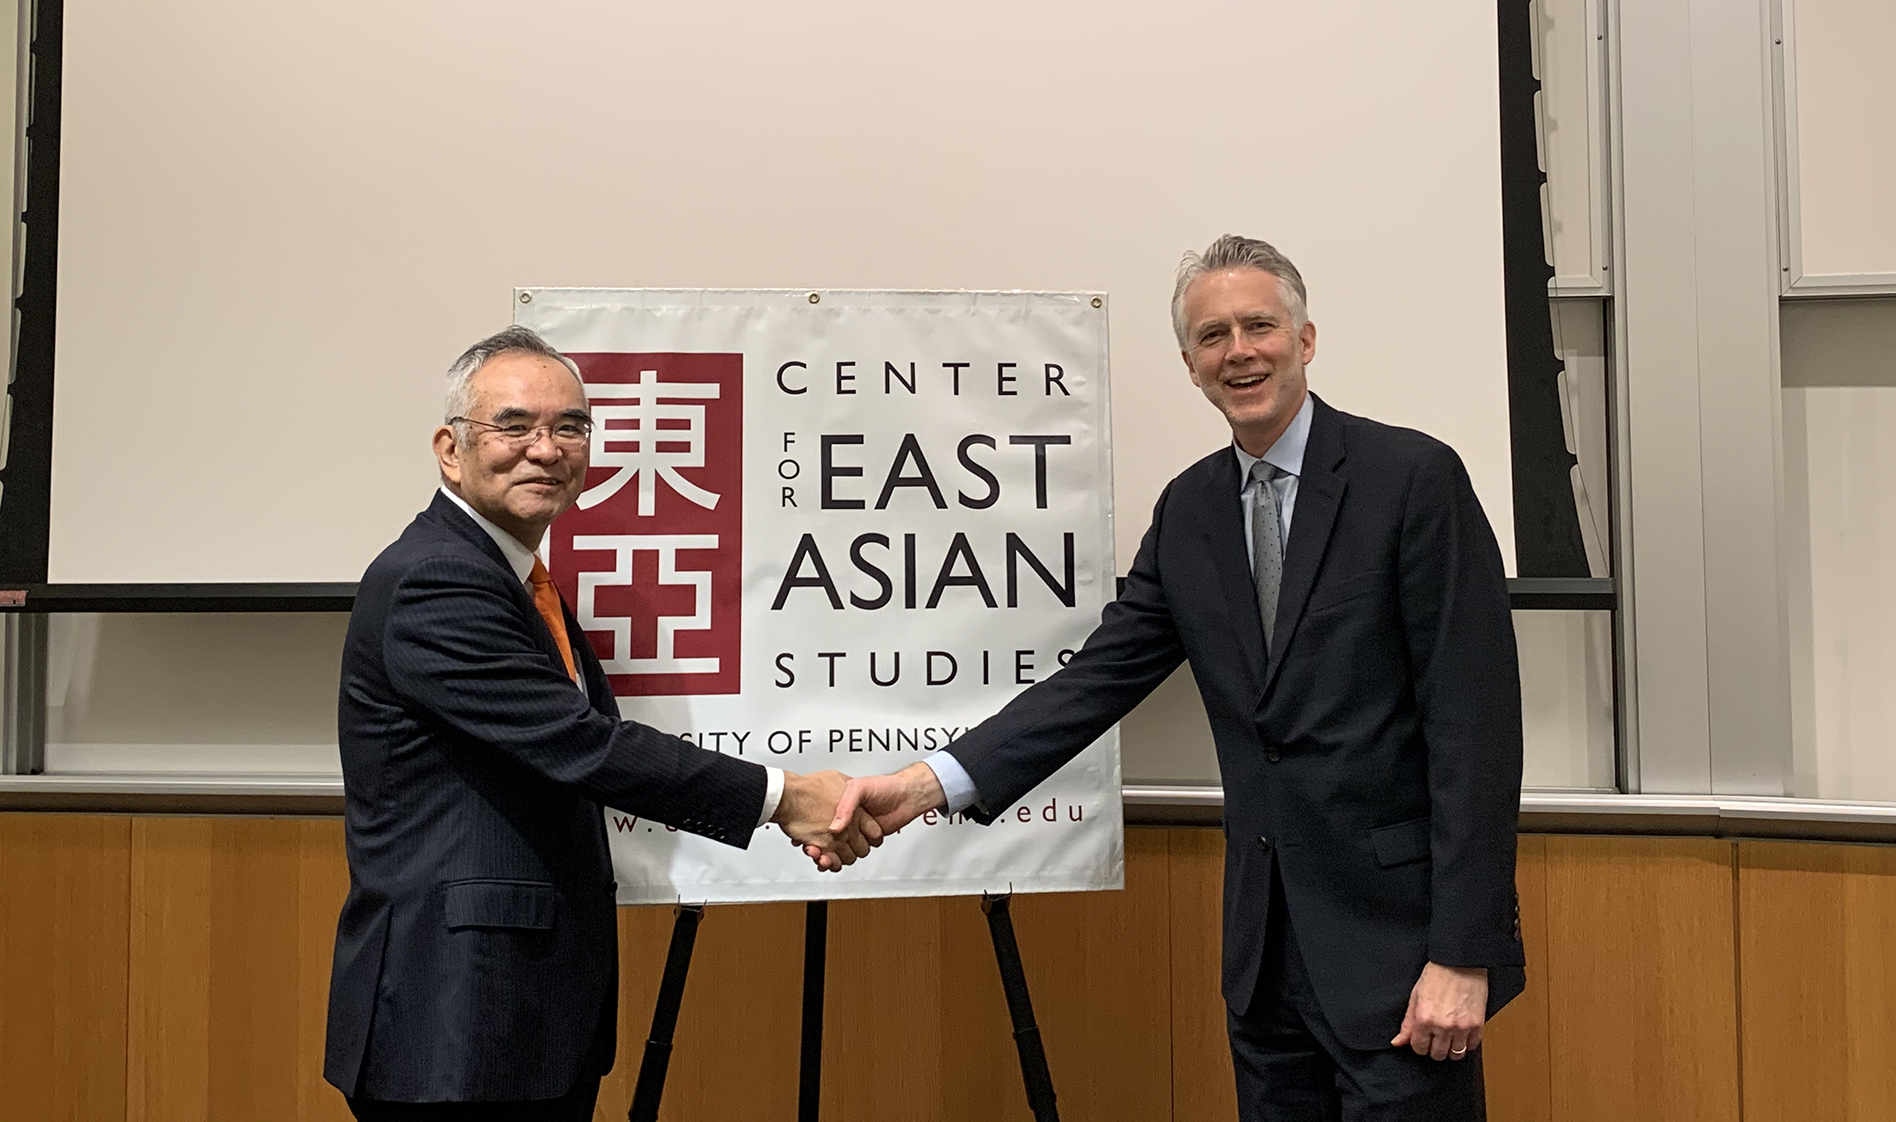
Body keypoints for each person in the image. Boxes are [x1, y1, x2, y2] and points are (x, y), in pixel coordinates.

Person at [827, 236, 1525, 1119]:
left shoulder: (1413, 479)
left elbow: (1477, 730)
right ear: (1191, 365)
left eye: (1260, 325)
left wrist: (1464, 953)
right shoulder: (1190, 508)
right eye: (1213, 335)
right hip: (1265, 968)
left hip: (1404, 964)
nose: (1239, 350)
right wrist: (927, 786)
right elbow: (1096, 681)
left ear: (1306, 340)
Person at [325, 326, 877, 1121]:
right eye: (513, 426)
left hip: (513, 1012)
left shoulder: (512, 575)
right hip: (454, 1018)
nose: (546, 449)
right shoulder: (438, 580)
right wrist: (782, 796)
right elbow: (580, 746)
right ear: (450, 448)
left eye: (570, 426)